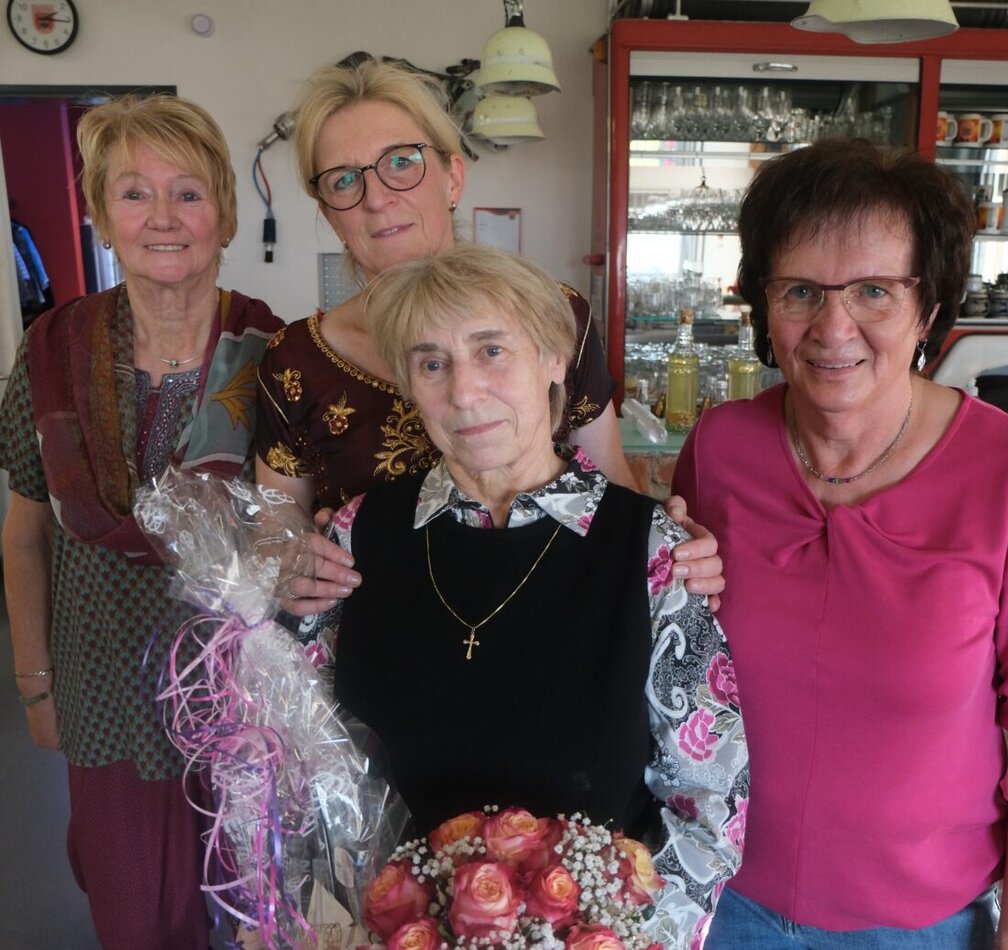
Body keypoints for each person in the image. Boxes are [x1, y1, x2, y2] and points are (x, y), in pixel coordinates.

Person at [671, 138, 1008, 949]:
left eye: (874, 290)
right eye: (800, 289)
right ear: (763, 303)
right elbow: (678, 668)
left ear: (928, 307)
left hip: (923, 927)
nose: (834, 328)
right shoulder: (723, 447)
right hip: (716, 905)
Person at [327, 243, 749, 945]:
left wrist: (619, 939)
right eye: (432, 363)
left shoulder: (650, 551)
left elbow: (709, 800)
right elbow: (309, 767)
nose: (464, 392)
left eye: (492, 351)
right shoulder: (355, 535)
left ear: (554, 359)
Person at [255, 59, 722, 616]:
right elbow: (274, 527)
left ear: (452, 176)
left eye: (401, 162)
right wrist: (289, 562)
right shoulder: (296, 362)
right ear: (330, 212)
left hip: (549, 636)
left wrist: (669, 552)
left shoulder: (556, 315)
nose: (376, 197)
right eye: (344, 180)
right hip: (372, 656)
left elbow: (609, 487)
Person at [0, 94, 283, 949]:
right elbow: (23, 530)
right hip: (103, 686)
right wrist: (34, 684)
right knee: (132, 911)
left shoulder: (271, 354)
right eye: (133, 193)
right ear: (101, 215)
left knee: (251, 909)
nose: (163, 216)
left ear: (224, 214)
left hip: (237, 693)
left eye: (188, 192)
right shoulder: (51, 351)